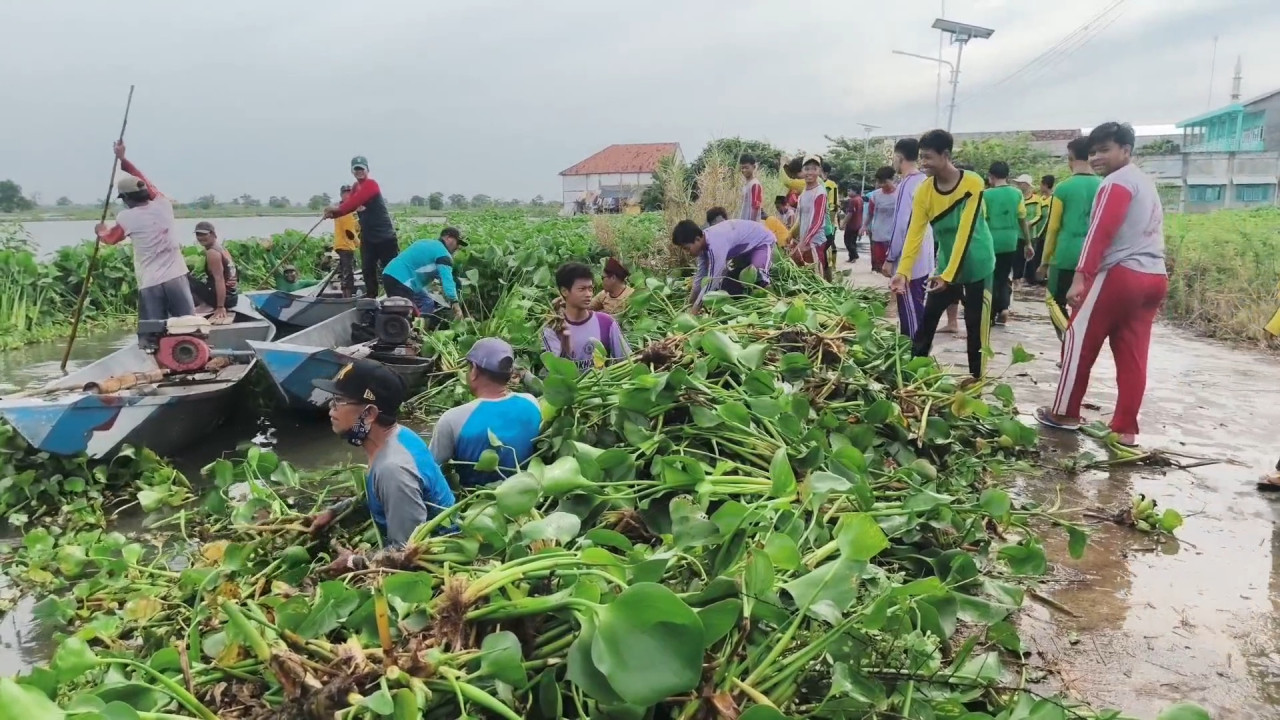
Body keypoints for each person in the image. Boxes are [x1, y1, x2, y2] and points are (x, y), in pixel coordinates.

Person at [1035, 122, 1167, 447]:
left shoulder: (1116, 183)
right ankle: (1125, 429)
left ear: (1126, 150)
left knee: (1077, 338)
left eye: (1105, 150)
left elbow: (1100, 232)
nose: (1096, 158)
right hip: (1154, 276)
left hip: (1121, 274)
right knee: (1133, 354)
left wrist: (1081, 276)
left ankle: (1064, 411)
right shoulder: (1144, 183)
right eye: (1093, 151)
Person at [308, 359, 456, 567]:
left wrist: (352, 562)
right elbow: (376, 495)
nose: (331, 410)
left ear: (369, 414)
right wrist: (335, 512)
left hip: (438, 561)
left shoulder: (393, 469)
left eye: (339, 401)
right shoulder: (399, 435)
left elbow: (408, 553)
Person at [889, 129, 996, 381]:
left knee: (975, 327)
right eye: (921, 157)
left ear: (946, 155)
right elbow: (914, 234)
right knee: (927, 322)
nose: (923, 163)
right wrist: (902, 273)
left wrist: (948, 275)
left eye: (928, 157)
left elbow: (965, 233)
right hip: (948, 267)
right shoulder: (924, 192)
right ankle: (913, 376)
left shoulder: (972, 182)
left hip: (978, 266)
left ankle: (977, 379)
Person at [94, 141, 195, 349]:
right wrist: (123, 159)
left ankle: (152, 355)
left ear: (126, 199)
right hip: (176, 277)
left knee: (152, 331)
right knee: (188, 323)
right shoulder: (163, 204)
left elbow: (111, 239)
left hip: (150, 282)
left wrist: (100, 231)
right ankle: (191, 351)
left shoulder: (126, 217)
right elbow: (145, 180)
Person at [430, 337, 542, 487]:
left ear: (474, 371)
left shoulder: (452, 420)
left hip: (472, 506)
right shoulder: (532, 403)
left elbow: (430, 472)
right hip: (529, 498)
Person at [1039, 139, 1102, 339]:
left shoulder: (1063, 188)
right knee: (1083, 304)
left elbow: (1054, 227)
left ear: (1070, 158)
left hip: (1065, 254)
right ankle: (1077, 343)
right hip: (1094, 255)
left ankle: (1070, 340)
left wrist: (1045, 261)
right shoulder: (1104, 185)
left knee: (1053, 300)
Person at [323, 156, 398, 298]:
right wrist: (332, 215)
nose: (359, 172)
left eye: (361, 168)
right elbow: (349, 206)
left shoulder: (371, 185)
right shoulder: (356, 187)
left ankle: (395, 297)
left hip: (385, 237)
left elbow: (353, 203)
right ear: (352, 171)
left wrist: (335, 209)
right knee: (367, 270)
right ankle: (371, 299)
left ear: (367, 169)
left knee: (391, 270)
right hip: (368, 237)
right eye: (356, 169)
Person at [883, 138, 932, 340]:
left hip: (910, 259)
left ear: (898, 157)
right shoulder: (926, 181)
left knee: (910, 311)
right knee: (917, 305)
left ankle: (913, 352)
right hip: (925, 254)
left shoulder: (908, 184)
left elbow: (901, 225)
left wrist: (890, 257)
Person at [673, 218, 775, 312]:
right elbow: (700, 277)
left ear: (697, 239)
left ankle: (772, 304)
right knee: (728, 284)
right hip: (744, 251)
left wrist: (694, 310)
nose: (687, 252)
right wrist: (690, 303)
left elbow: (713, 280)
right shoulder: (702, 248)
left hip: (761, 242)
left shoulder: (715, 244)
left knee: (758, 277)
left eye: (687, 248)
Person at [543, 262, 631, 368]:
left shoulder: (607, 322)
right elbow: (558, 370)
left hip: (603, 384)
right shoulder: (553, 327)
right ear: (564, 291)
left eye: (590, 289)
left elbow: (627, 362)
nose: (588, 294)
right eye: (582, 289)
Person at [984, 161, 1032, 326]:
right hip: (1011, 241)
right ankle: (1004, 307)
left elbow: (982, 220)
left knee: (990, 277)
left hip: (991, 241)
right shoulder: (1017, 193)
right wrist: (1028, 243)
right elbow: (1022, 219)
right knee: (1004, 276)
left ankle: (991, 311)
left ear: (991, 176)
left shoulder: (986, 195)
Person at [381, 227, 466, 318]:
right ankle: (416, 329)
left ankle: (414, 325)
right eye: (458, 242)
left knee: (426, 301)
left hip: (390, 274)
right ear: (448, 238)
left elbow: (437, 273)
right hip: (402, 280)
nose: (458, 247)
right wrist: (456, 305)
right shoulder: (444, 255)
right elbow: (447, 281)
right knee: (408, 313)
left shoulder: (426, 242)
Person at [787, 155, 830, 277]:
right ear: (802, 171)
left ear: (819, 171)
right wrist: (792, 236)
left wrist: (805, 242)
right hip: (804, 242)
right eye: (807, 169)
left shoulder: (820, 192)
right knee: (806, 276)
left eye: (814, 169)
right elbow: (800, 219)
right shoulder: (804, 193)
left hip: (815, 243)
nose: (810, 172)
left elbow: (818, 221)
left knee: (817, 277)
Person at [189, 222, 238, 321]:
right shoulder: (222, 249)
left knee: (184, 277)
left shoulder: (213, 253)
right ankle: (207, 303)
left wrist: (220, 307)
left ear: (212, 234)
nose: (201, 238)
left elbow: (219, 280)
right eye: (198, 234)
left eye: (204, 234)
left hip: (221, 299)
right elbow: (232, 271)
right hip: (232, 297)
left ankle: (207, 305)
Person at [866, 167, 898, 273]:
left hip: (894, 237)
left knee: (894, 267)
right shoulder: (875, 195)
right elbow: (870, 213)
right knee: (882, 268)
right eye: (880, 182)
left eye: (885, 182)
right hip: (879, 235)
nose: (882, 185)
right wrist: (864, 226)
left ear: (893, 179)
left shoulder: (900, 194)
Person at [332, 184, 361, 298]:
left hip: (343, 245)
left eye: (350, 193)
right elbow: (349, 232)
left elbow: (353, 228)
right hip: (345, 245)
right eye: (345, 193)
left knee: (345, 271)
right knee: (348, 273)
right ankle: (347, 298)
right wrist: (360, 244)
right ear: (341, 195)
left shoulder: (343, 209)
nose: (348, 195)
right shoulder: (345, 210)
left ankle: (346, 295)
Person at [1013, 174, 1040, 286]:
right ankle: (1017, 278)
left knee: (1030, 256)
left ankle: (1030, 279)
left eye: (1021, 183)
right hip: (1018, 233)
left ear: (1027, 185)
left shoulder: (1036, 199)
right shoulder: (1017, 197)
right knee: (1017, 256)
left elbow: (1039, 215)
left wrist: (1030, 223)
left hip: (1031, 232)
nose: (1019, 185)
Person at [841, 187, 863, 264]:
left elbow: (850, 213)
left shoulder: (853, 200)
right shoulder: (860, 199)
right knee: (853, 241)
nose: (848, 192)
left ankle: (854, 255)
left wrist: (843, 223)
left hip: (852, 224)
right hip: (858, 224)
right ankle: (852, 257)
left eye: (849, 190)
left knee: (847, 241)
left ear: (855, 191)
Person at [738, 154, 763, 221]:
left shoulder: (755, 184)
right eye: (742, 168)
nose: (744, 170)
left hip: (750, 224)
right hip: (744, 222)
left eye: (746, 168)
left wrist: (752, 224)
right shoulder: (746, 184)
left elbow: (755, 206)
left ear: (754, 167)